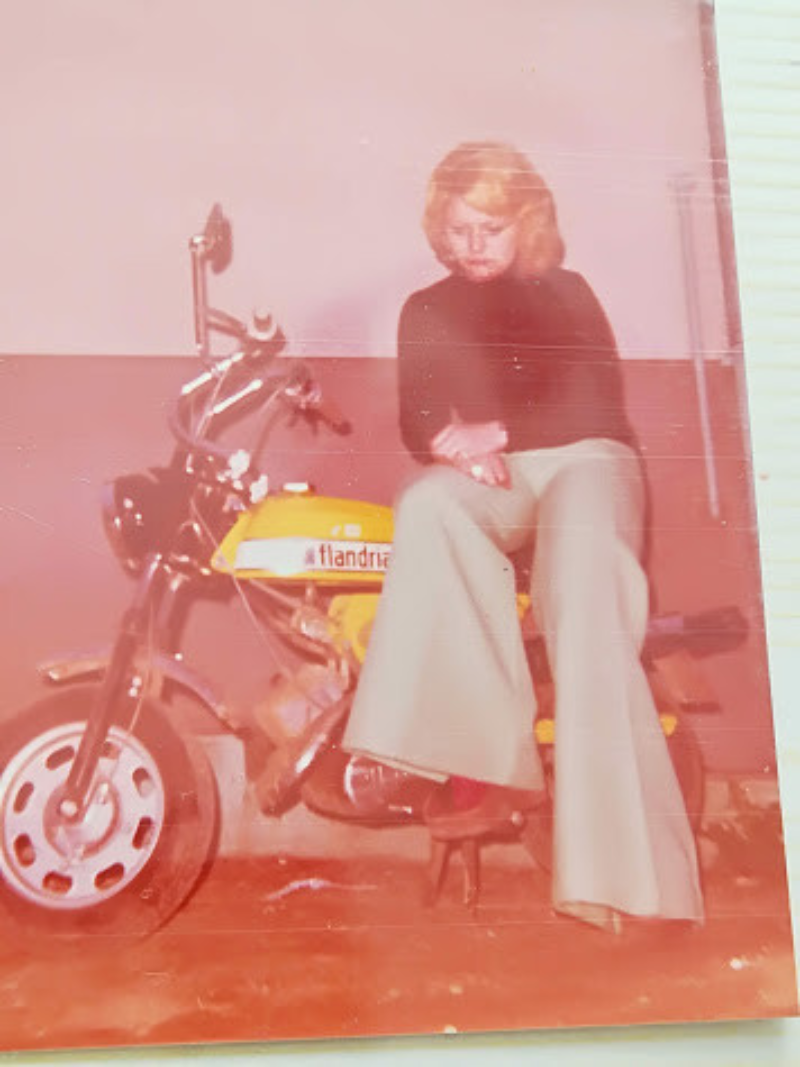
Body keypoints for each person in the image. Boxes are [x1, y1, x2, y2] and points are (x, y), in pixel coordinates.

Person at [342, 141, 703, 931]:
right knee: (427, 504)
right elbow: (418, 418)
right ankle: (481, 766)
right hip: (498, 473)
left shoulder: (566, 290)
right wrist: (447, 444)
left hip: (588, 459)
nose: (474, 244)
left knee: (585, 607)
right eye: (460, 227)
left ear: (526, 222)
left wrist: (492, 432)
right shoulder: (425, 309)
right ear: (439, 226)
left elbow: (594, 402)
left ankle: (631, 888)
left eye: (493, 227)